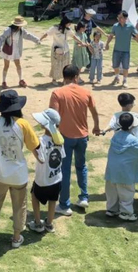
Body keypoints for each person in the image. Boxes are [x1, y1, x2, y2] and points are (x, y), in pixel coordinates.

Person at [0, 90, 40, 249]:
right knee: (19, 206)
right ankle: (16, 237)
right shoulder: (23, 124)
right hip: (18, 174)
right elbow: (34, 146)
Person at [49, 65, 100, 216]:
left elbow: (53, 117)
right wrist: (96, 126)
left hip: (65, 137)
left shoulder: (57, 93)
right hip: (82, 136)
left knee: (64, 170)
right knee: (81, 166)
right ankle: (84, 197)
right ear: (76, 76)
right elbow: (94, 112)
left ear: (63, 76)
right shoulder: (86, 92)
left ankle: (64, 205)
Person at [27, 108, 65, 234]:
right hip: (56, 178)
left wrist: (33, 149)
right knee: (53, 200)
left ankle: (38, 224)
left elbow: (41, 159)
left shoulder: (41, 141)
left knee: (34, 196)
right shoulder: (60, 139)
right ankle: (49, 223)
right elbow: (62, 156)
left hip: (42, 179)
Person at [105, 11, 138, 88]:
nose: (119, 19)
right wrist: (107, 44)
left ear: (125, 18)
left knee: (125, 67)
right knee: (115, 66)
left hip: (126, 51)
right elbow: (111, 36)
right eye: (118, 17)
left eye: (121, 17)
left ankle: (125, 80)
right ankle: (117, 77)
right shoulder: (115, 26)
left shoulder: (130, 26)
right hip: (116, 50)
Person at [0, 16, 41, 89]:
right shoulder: (8, 30)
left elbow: (28, 35)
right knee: (6, 65)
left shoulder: (21, 30)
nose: (21, 26)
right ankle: (4, 81)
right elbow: (1, 38)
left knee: (18, 64)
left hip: (16, 49)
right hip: (8, 48)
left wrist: (36, 40)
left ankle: (21, 79)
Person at [40, 16, 72, 84]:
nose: (70, 25)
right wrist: (40, 39)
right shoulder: (55, 28)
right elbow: (47, 33)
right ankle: (54, 79)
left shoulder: (68, 30)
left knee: (65, 65)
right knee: (55, 64)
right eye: (69, 23)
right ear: (65, 23)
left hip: (65, 50)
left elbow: (73, 36)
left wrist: (80, 42)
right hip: (56, 49)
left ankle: (64, 79)